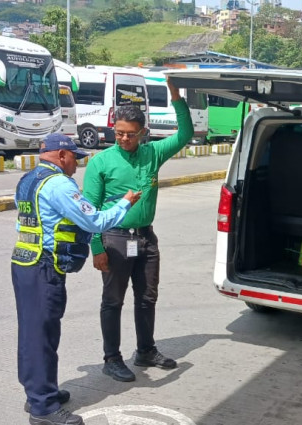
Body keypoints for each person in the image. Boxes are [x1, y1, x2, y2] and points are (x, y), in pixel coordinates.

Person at [12, 134, 141, 425]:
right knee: (42, 336)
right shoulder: (58, 184)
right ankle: (43, 409)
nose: (77, 165)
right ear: (61, 155)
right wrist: (125, 203)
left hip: (24, 262)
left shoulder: (28, 180)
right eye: (74, 158)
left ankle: (38, 392)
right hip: (43, 266)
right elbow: (94, 221)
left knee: (33, 333)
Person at [82, 78, 194, 382]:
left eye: (130, 134)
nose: (123, 139)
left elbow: (185, 134)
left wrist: (176, 96)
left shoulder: (152, 153)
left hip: (145, 238)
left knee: (147, 298)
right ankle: (112, 358)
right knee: (113, 301)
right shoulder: (101, 162)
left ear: (142, 133)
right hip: (115, 239)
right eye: (118, 132)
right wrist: (97, 249)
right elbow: (90, 212)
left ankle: (146, 350)